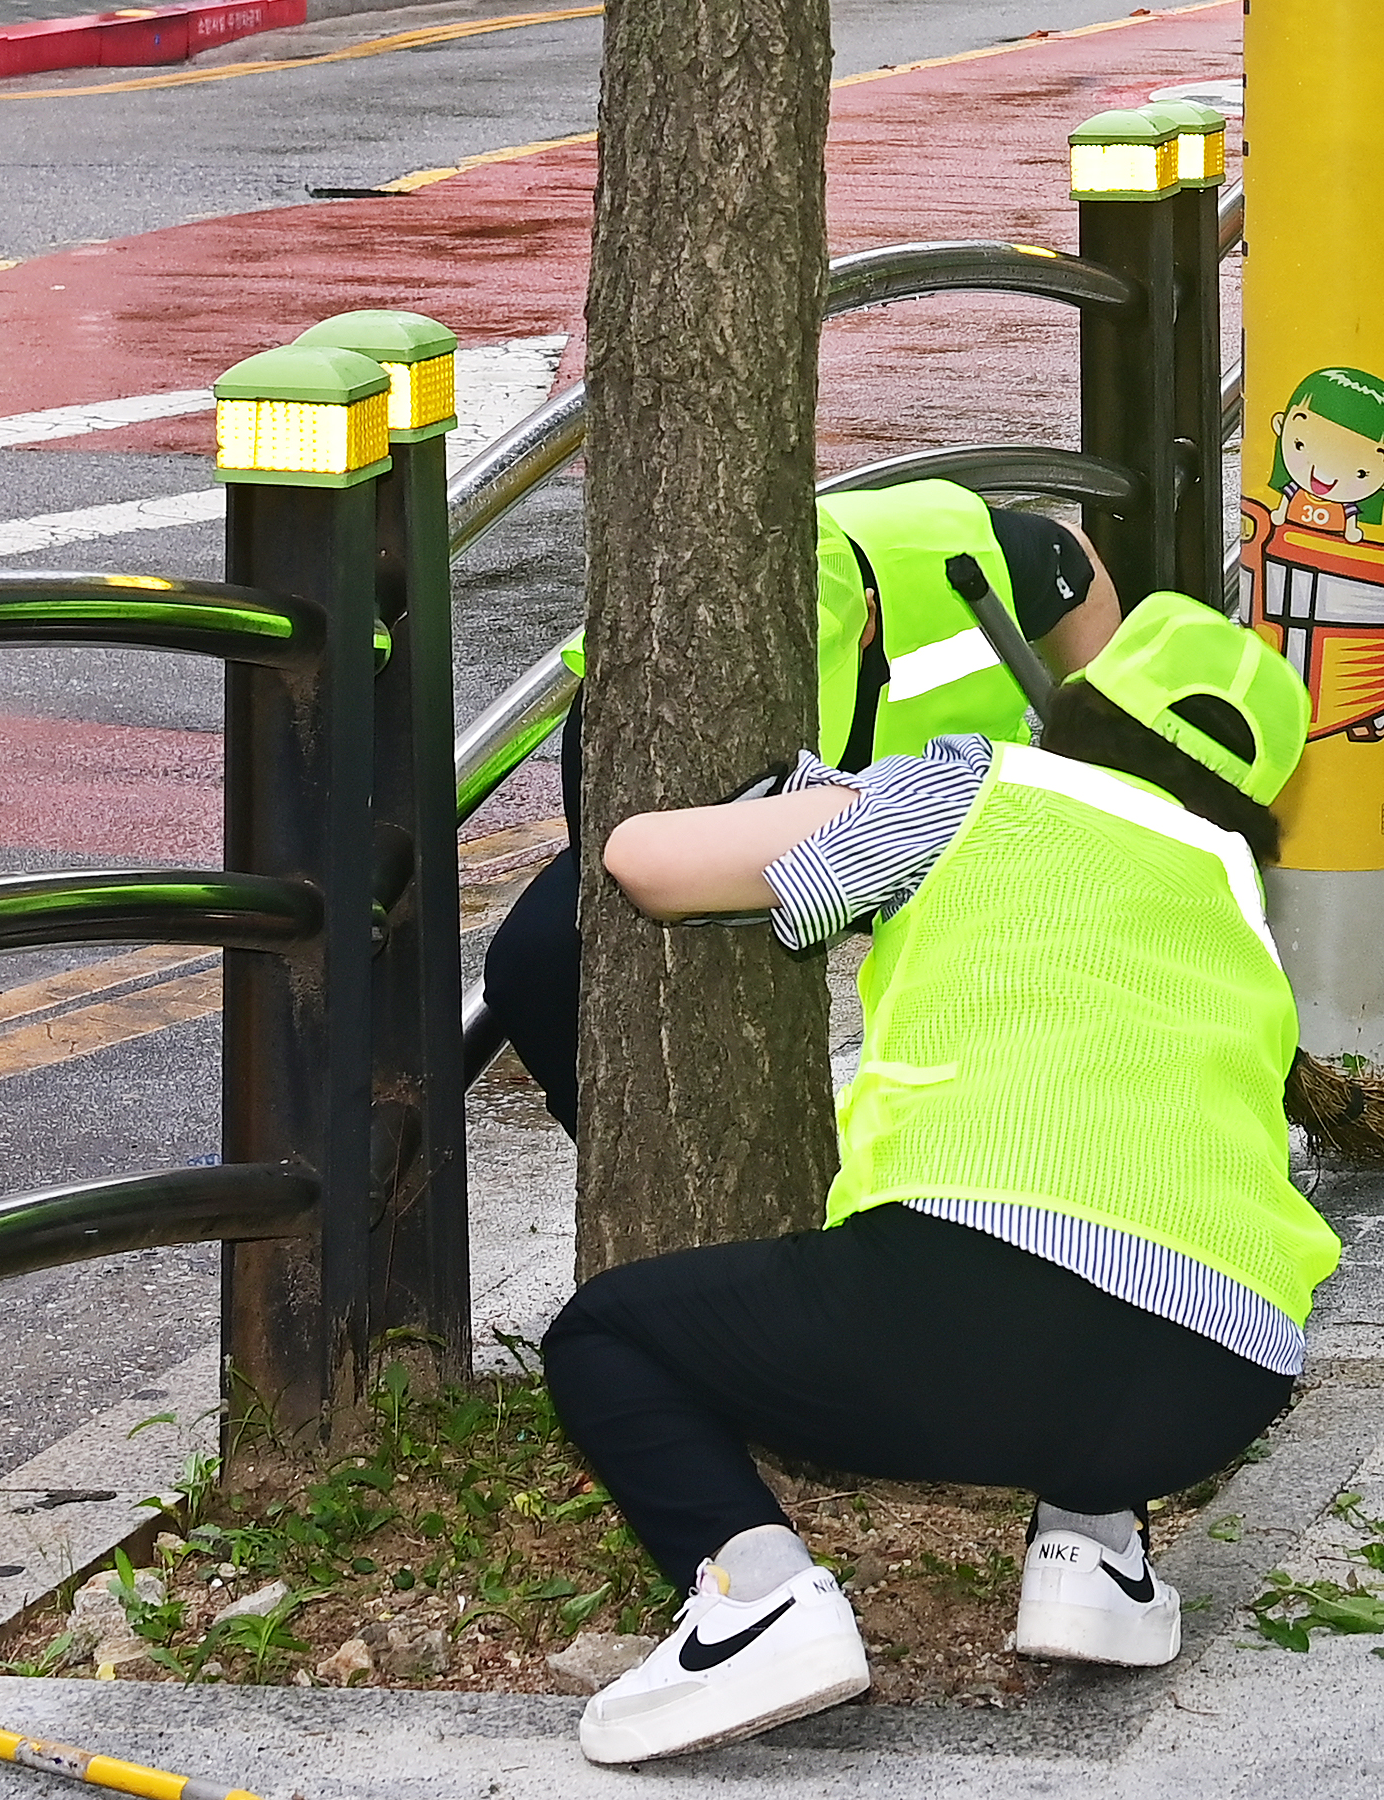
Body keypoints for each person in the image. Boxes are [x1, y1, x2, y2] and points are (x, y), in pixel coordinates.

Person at [549, 596, 1332, 1765]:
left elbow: (646, 865)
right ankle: (1093, 1561)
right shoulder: (1234, 895)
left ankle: (756, 1601)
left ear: (1073, 708)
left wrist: (816, 799)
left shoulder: (984, 786)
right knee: (1117, 1236)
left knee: (607, 1335)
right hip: (1219, 1376)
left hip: (964, 1313)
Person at [475, 480, 1117, 1134]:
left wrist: (1088, 756)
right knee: (533, 962)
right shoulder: (666, 616)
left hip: (971, 819)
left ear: (869, 617)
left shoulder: (952, 555)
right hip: (826, 822)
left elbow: (1078, 570)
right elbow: (616, 851)